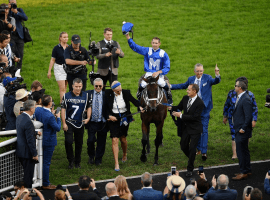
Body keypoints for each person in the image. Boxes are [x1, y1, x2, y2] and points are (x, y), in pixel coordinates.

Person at [170, 63, 221, 160]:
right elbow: (183, 85)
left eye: (201, 71)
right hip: (193, 109)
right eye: (197, 71)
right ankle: (199, 149)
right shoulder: (191, 79)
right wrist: (170, 86)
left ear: (203, 70)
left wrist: (217, 74)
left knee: (204, 130)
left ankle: (204, 152)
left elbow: (216, 81)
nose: (199, 73)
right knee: (195, 129)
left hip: (205, 109)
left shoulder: (208, 78)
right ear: (194, 71)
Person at [105, 81, 144, 171]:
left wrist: (140, 107)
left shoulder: (126, 93)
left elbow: (134, 101)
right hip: (113, 119)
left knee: (123, 139)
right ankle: (116, 163)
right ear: (113, 90)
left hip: (124, 118)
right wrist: (109, 116)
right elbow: (104, 108)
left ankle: (124, 154)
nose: (120, 92)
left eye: (120, 90)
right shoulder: (107, 94)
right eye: (117, 91)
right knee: (115, 139)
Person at [125, 32, 172, 104]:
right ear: (151, 43)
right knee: (142, 85)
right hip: (149, 73)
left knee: (162, 84)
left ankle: (169, 97)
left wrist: (158, 72)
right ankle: (139, 98)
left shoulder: (163, 53)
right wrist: (128, 38)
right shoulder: (147, 50)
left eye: (156, 43)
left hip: (159, 75)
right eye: (153, 43)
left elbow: (167, 67)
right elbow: (136, 47)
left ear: (159, 44)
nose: (154, 44)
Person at [171, 84, 204, 177]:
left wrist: (180, 115)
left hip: (195, 129)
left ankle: (190, 168)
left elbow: (194, 117)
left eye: (189, 90)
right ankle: (191, 158)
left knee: (192, 148)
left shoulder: (200, 103)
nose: (187, 91)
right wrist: (170, 107)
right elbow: (179, 107)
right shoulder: (185, 98)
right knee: (183, 146)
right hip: (186, 128)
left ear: (194, 91)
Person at [223, 77, 258, 159]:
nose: (235, 86)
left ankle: (243, 151)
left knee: (246, 135)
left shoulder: (250, 95)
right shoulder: (231, 93)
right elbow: (227, 105)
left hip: (246, 119)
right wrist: (225, 116)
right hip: (233, 118)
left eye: (236, 85)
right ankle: (235, 154)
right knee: (234, 134)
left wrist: (254, 119)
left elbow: (254, 108)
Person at [61, 78, 91, 169]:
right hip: (69, 122)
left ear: (82, 86)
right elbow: (63, 110)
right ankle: (70, 160)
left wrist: (88, 118)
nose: (78, 88)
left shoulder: (86, 96)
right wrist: (64, 123)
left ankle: (77, 162)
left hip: (80, 122)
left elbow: (89, 107)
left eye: (80, 86)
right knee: (68, 141)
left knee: (79, 143)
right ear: (72, 86)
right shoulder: (66, 96)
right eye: (76, 86)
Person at [35, 95, 61, 189]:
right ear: (50, 103)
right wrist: (58, 118)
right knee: (46, 163)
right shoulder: (50, 116)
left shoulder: (38, 110)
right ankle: (45, 183)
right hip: (49, 141)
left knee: (39, 161)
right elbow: (57, 128)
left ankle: (39, 179)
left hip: (39, 139)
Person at [15, 100, 41, 188]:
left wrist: (35, 132)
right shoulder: (28, 122)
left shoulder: (19, 117)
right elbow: (30, 140)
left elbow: (24, 131)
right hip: (27, 153)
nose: (35, 108)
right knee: (28, 176)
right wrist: (34, 154)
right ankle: (27, 194)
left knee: (26, 174)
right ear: (31, 108)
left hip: (20, 151)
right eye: (35, 107)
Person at [232, 80, 253, 181]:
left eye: (235, 86)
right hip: (240, 129)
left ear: (240, 88)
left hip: (242, 131)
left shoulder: (245, 99)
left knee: (241, 151)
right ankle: (247, 170)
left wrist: (243, 128)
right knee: (244, 151)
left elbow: (249, 116)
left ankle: (243, 172)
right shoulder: (242, 97)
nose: (234, 87)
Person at [86, 78, 108, 166]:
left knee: (101, 142)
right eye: (96, 86)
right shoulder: (88, 94)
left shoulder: (106, 94)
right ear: (93, 86)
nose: (98, 87)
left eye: (100, 86)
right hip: (92, 122)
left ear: (102, 86)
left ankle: (98, 159)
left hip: (102, 122)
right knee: (90, 140)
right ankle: (91, 156)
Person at [47, 32, 69, 103]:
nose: (66, 38)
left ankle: (62, 101)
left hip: (67, 68)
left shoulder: (69, 47)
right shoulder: (56, 48)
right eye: (64, 37)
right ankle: (63, 103)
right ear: (60, 38)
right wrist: (49, 71)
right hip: (59, 68)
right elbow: (53, 59)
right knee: (62, 88)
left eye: (67, 37)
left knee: (65, 87)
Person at [8, 0, 28, 69]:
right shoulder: (7, 10)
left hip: (20, 35)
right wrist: (9, 9)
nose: (14, 3)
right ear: (9, 3)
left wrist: (17, 12)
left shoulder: (19, 10)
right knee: (12, 52)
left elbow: (25, 18)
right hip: (11, 35)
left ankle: (19, 69)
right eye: (12, 2)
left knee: (20, 53)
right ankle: (12, 68)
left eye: (15, 2)